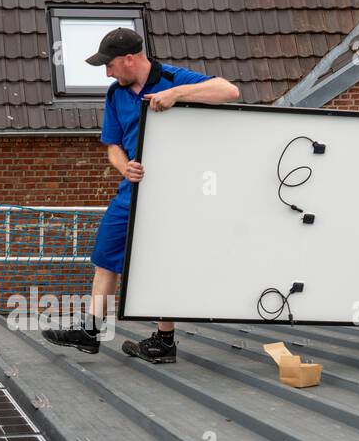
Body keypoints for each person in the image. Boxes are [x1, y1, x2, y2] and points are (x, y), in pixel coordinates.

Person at [42, 28, 240, 363]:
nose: (107, 72)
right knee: (105, 255)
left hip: (175, 193)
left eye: (110, 65)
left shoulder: (174, 78)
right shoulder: (114, 95)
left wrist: (177, 94)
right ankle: (90, 332)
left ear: (130, 59)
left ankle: (164, 340)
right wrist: (124, 169)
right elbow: (113, 147)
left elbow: (230, 91)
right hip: (130, 190)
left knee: (161, 261)